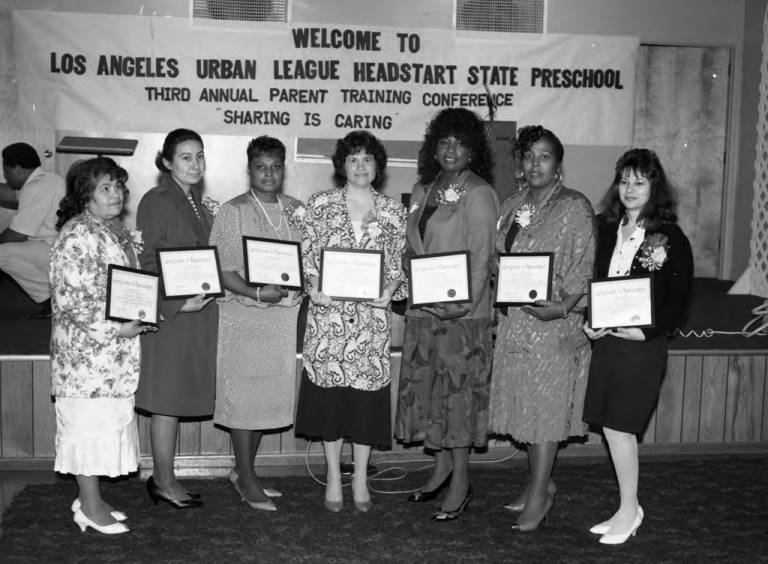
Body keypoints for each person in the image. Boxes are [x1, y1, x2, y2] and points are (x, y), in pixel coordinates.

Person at [583, 148, 693, 545]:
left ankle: (630, 510)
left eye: (639, 182)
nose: (630, 189)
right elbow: (597, 282)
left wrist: (647, 332)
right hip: (608, 345)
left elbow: (679, 299)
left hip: (642, 348)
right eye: (624, 181)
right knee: (612, 429)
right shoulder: (605, 228)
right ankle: (625, 507)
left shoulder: (670, 237)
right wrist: (592, 321)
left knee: (621, 428)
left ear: (654, 188)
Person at [394, 107, 499, 521]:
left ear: (473, 151)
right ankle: (441, 469)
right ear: (433, 148)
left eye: (460, 142)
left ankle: (461, 482)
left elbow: (481, 256)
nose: (451, 149)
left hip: (462, 317)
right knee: (432, 394)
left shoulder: (479, 193)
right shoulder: (423, 190)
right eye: (444, 141)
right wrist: (408, 272)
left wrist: (461, 305)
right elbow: (413, 247)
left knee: (458, 399)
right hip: (425, 311)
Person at [489, 125, 595, 531]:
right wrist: (498, 269)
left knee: (546, 410)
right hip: (516, 323)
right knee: (527, 410)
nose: (535, 164)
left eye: (544, 156)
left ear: (558, 162)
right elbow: (500, 255)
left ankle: (538, 495)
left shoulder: (574, 206)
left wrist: (564, 306)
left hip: (554, 324)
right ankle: (541, 483)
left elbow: (584, 263)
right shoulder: (511, 204)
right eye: (529, 156)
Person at [295, 130, 407, 513]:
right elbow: (307, 259)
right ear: (341, 165)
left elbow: (397, 267)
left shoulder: (393, 211)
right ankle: (332, 476)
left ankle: (360, 477)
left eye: (368, 159)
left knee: (363, 404)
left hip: (371, 323)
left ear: (378, 165)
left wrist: (390, 289)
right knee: (331, 403)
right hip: (329, 321)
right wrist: (314, 288)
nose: (361, 166)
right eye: (353, 159)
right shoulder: (320, 204)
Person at [50, 157, 155, 535]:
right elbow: (72, 300)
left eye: (119, 187)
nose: (116, 194)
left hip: (109, 357)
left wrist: (141, 314)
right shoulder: (78, 234)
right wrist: (116, 329)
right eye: (105, 188)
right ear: (85, 196)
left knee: (105, 425)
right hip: (87, 357)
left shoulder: (107, 229)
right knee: (87, 431)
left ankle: (91, 498)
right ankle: (90, 508)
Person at [209, 136, 305, 511]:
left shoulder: (297, 210)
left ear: (283, 169)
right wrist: (256, 292)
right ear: (249, 169)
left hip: (281, 318)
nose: (268, 174)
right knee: (244, 397)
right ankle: (246, 478)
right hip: (244, 316)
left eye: (275, 166)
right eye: (261, 167)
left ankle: (243, 471)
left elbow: (307, 261)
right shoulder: (233, 210)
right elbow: (222, 270)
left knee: (265, 398)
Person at [135, 128, 218, 509]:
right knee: (165, 402)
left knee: (173, 398)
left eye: (199, 156)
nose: (195, 164)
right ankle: (163, 482)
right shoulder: (157, 200)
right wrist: (176, 304)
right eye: (186, 157)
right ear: (167, 162)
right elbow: (145, 262)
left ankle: (165, 478)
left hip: (194, 314)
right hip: (172, 316)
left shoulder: (195, 200)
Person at [0, 142, 65, 318]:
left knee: (1, 252)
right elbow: (10, 195)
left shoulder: (35, 187)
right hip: (58, 247)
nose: (6, 177)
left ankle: (51, 298)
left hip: (54, 251)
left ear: (17, 169)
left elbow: (17, 235)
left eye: (6, 171)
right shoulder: (49, 179)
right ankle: (54, 295)